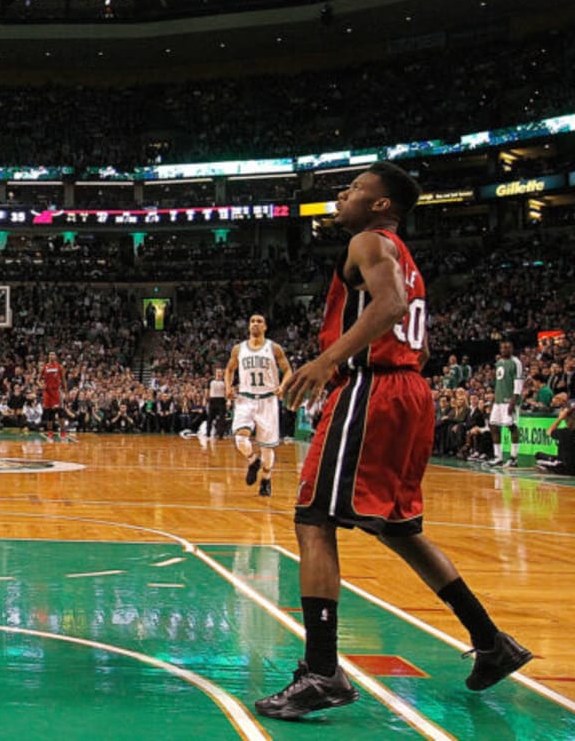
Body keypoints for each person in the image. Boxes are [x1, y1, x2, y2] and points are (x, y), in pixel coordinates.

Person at [256, 163, 530, 721]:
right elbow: (418, 339)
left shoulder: (367, 241)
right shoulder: (404, 256)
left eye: (355, 188)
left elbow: (390, 307)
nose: (343, 193)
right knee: (402, 529)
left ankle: (322, 672)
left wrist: (328, 361)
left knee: (313, 518)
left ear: (382, 206)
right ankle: (492, 642)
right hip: (409, 392)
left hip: (372, 391)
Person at [224, 314, 292, 498]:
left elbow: (287, 370)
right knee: (240, 439)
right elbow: (229, 369)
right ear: (248, 326)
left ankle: (266, 479)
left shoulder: (274, 348)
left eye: (259, 321)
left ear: (265, 327)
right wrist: (228, 387)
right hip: (245, 398)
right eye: (252, 321)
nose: (255, 324)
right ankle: (253, 461)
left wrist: (283, 385)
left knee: (267, 448)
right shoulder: (239, 349)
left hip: (268, 400)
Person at [487, 340, 523, 468]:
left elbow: (519, 382)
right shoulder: (499, 363)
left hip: (509, 400)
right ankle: (498, 457)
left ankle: (514, 457)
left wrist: (514, 400)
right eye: (502, 348)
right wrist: (494, 399)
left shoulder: (516, 362)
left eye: (507, 347)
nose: (504, 350)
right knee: (493, 426)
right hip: (498, 400)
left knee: (512, 426)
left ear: (512, 348)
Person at [39, 351, 66, 439]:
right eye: (50, 354)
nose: (51, 356)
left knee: (60, 412)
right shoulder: (45, 367)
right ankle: (50, 432)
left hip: (56, 391)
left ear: (56, 356)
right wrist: (41, 385)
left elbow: (63, 379)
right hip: (47, 392)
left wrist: (66, 391)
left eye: (53, 354)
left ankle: (63, 431)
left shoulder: (59, 366)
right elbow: (38, 379)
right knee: (49, 413)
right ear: (48, 356)